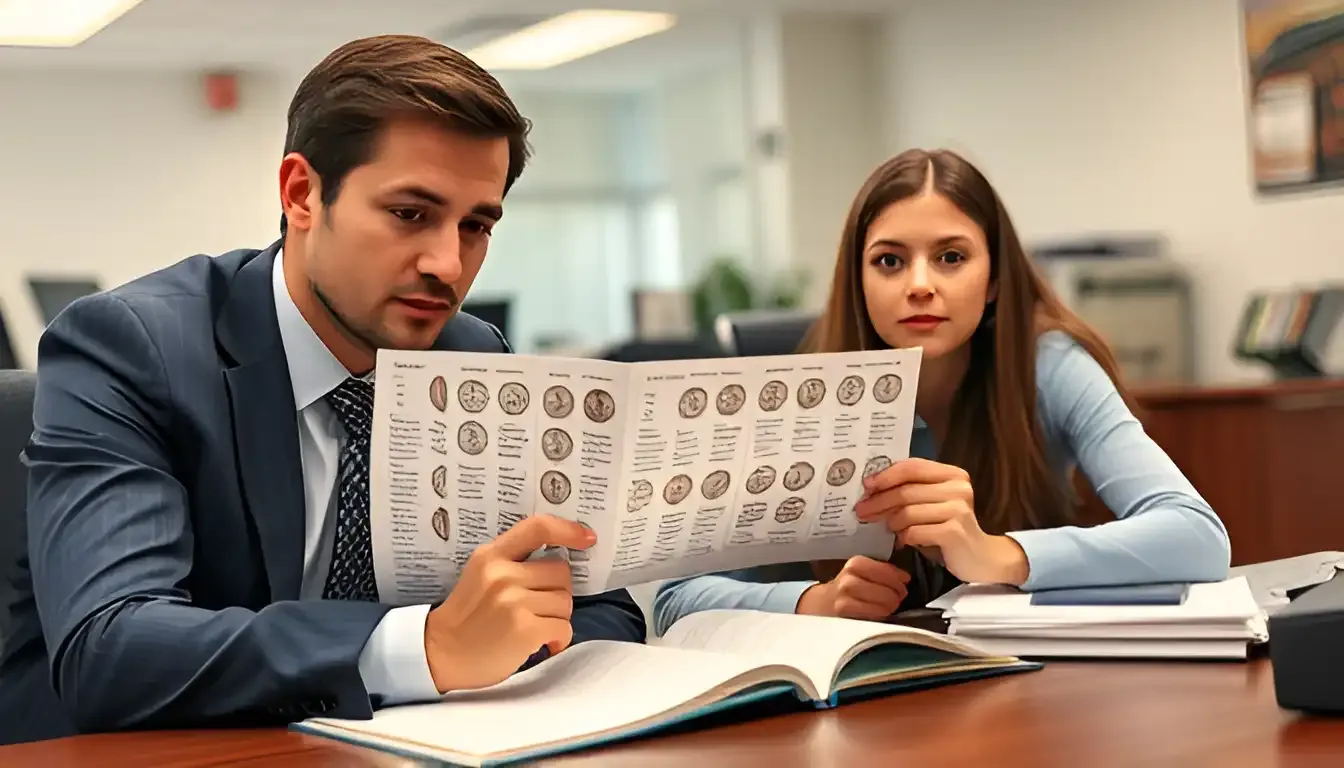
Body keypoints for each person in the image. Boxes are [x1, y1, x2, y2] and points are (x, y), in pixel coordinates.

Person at [0, 35, 645, 745]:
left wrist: (506, 632)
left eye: (477, 225)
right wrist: (419, 647)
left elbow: (598, 608)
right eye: (410, 214)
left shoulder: (471, 353)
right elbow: (110, 649)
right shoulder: (132, 348)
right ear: (302, 194)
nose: (448, 263)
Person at [652, 148, 1230, 635]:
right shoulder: (803, 395)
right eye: (889, 261)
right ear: (858, 280)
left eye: (951, 257)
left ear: (996, 276)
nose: (921, 285)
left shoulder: (1050, 366)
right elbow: (676, 599)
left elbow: (1197, 535)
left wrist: (998, 554)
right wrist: (815, 602)